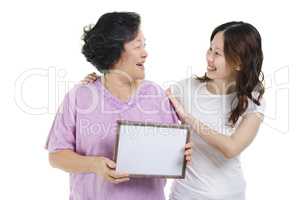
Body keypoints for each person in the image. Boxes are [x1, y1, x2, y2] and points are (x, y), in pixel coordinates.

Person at [46, 12, 192, 200]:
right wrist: (94, 165)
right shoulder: (79, 96)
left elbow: (170, 159)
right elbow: (56, 156)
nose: (145, 53)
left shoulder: (157, 96)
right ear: (115, 51)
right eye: (137, 46)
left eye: (144, 45)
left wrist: (180, 156)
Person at [166, 21, 266, 200]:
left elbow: (231, 148)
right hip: (184, 194)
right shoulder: (185, 88)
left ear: (239, 63)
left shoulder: (253, 100)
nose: (209, 58)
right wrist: (103, 82)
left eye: (218, 53)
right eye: (210, 49)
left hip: (229, 194)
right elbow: (142, 103)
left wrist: (187, 118)